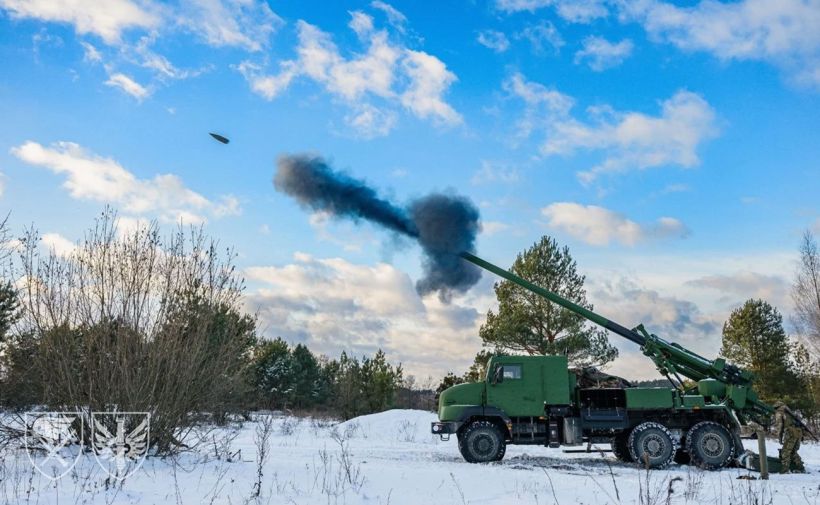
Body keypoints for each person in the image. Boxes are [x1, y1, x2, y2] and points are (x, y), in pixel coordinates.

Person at [773, 401, 805, 473]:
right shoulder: (789, 411)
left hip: (790, 433)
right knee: (793, 451)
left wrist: (780, 437)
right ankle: (801, 468)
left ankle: (785, 469)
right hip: (798, 432)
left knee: (785, 452)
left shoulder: (779, 412)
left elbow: (780, 426)